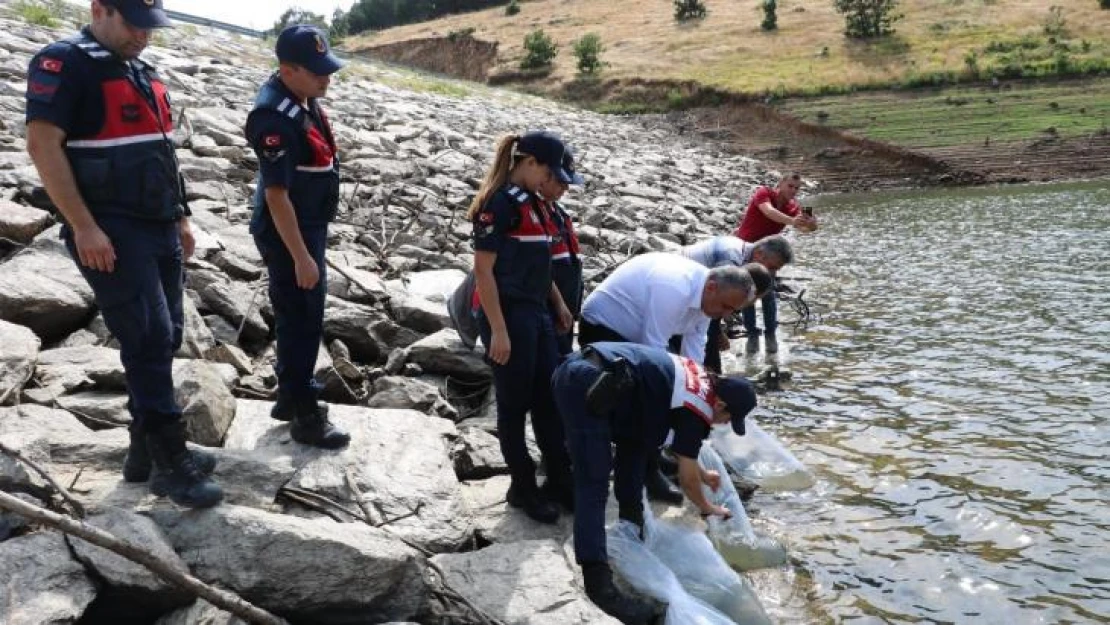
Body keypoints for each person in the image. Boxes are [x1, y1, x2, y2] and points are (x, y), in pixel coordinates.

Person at [24, 0, 221, 507]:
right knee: (148, 335)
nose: (144, 35)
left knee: (168, 334)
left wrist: (180, 217)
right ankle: (170, 461)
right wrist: (83, 226)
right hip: (111, 226)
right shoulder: (64, 62)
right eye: (134, 24)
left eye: (149, 26)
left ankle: (143, 452)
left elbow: (161, 150)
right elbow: (43, 146)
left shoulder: (138, 69)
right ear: (99, 9)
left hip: (158, 223)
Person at [552, 341, 757, 623]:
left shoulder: (702, 383)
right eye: (727, 418)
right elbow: (685, 478)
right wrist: (708, 507)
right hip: (585, 383)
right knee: (594, 480)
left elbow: (681, 451)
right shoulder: (699, 407)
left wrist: (704, 475)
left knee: (636, 448)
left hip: (602, 375)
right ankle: (598, 583)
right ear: (720, 404)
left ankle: (633, 528)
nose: (722, 424)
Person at [578, 254, 759, 503]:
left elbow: (695, 345)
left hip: (638, 334)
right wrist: (686, 400)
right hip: (605, 327)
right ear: (712, 287)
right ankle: (646, 471)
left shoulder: (710, 300)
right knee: (650, 399)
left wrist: (699, 389)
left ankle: (658, 454)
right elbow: (653, 349)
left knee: (675, 390)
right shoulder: (673, 287)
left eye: (732, 310)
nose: (725, 315)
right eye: (726, 307)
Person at [245, 25, 350, 450]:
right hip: (290, 233)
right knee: (302, 318)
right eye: (317, 71)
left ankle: (289, 395)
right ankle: (305, 414)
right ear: (288, 70)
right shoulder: (274, 117)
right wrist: (302, 256)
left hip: (308, 226)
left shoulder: (301, 99)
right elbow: (276, 194)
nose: (328, 78)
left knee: (300, 313)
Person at [469, 131, 577, 523]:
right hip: (506, 312)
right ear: (530, 164)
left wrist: (559, 303)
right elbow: (483, 271)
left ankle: (559, 478)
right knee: (514, 405)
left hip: (536, 312)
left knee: (548, 397)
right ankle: (523, 487)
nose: (552, 182)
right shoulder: (498, 206)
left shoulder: (538, 205)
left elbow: (541, 264)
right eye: (550, 172)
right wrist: (497, 330)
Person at [680, 235, 794, 371]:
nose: (772, 273)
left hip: (700, 290)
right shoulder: (730, 259)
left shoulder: (745, 254)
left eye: (776, 269)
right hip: (680, 291)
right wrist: (718, 332)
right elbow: (716, 300)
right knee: (709, 336)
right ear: (759, 254)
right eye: (772, 267)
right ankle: (711, 377)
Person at [733, 173, 818, 354]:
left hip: (768, 255)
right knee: (748, 292)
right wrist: (792, 221)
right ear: (780, 184)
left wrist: (812, 224)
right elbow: (768, 212)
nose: (793, 191)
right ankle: (752, 334)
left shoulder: (793, 206)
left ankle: (770, 333)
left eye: (797, 188)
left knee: (768, 292)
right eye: (790, 186)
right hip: (745, 250)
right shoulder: (763, 193)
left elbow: (803, 228)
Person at [538, 150, 585, 357]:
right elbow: (540, 267)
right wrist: (559, 306)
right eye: (560, 181)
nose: (566, 188)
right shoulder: (534, 216)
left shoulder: (559, 215)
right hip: (548, 310)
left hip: (566, 312)